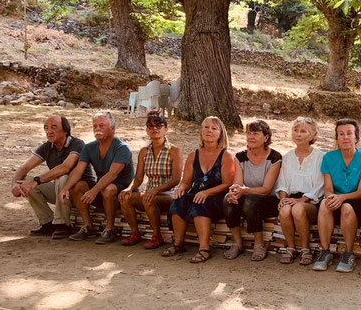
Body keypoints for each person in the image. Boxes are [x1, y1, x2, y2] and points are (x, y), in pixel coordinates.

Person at [163, 116, 234, 263]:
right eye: (206, 127)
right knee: (178, 201)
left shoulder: (226, 155)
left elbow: (227, 183)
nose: (209, 131)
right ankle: (178, 244)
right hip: (197, 194)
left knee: (200, 203)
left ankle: (204, 249)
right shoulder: (193, 155)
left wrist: (207, 192)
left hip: (216, 196)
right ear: (201, 131)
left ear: (220, 134)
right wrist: (180, 189)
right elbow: (186, 182)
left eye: (214, 128)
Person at [11, 115, 93, 239]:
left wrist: (36, 181)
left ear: (65, 130)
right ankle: (47, 223)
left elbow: (65, 167)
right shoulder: (47, 147)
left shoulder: (77, 144)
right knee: (26, 181)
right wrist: (15, 185)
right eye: (46, 128)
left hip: (79, 192)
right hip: (60, 192)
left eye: (54, 127)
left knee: (62, 177)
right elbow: (24, 168)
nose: (49, 131)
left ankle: (62, 224)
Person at [59, 112, 135, 244]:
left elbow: (113, 174)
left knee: (109, 188)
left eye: (102, 126)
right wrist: (65, 188)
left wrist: (93, 191)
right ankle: (88, 226)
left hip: (121, 192)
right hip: (102, 189)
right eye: (95, 126)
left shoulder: (122, 148)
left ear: (112, 128)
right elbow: (78, 170)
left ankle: (110, 229)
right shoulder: (89, 147)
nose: (97, 129)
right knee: (78, 186)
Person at [313, 118, 361, 273]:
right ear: (337, 138)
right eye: (341, 134)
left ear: (356, 138)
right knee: (324, 204)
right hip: (336, 199)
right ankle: (325, 252)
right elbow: (327, 188)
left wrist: (342, 198)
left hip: (358, 202)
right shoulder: (328, 158)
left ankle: (348, 253)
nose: (345, 137)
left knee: (346, 207)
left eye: (349, 133)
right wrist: (331, 197)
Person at [118, 110, 183, 249]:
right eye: (150, 126)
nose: (155, 129)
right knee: (124, 197)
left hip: (169, 195)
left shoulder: (174, 151)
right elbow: (139, 178)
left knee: (149, 198)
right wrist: (129, 188)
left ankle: (157, 236)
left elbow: (176, 179)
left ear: (166, 129)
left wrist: (156, 190)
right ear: (146, 130)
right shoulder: (144, 151)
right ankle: (135, 233)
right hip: (150, 193)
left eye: (159, 125)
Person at [223, 120, 282, 261]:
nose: (251, 137)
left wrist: (243, 191)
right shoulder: (240, 157)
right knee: (227, 199)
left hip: (270, 200)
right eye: (248, 133)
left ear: (266, 137)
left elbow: (266, 189)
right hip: (248, 195)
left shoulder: (275, 157)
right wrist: (234, 193)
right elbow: (237, 184)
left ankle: (259, 244)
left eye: (255, 134)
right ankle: (237, 243)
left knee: (250, 200)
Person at [275, 117, 324, 265]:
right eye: (295, 130)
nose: (298, 134)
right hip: (292, 198)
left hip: (312, 200)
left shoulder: (320, 157)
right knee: (284, 210)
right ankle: (291, 248)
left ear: (312, 135)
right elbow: (282, 181)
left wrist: (302, 200)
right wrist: (283, 198)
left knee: (297, 209)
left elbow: (320, 185)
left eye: (303, 131)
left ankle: (305, 249)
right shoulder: (288, 157)